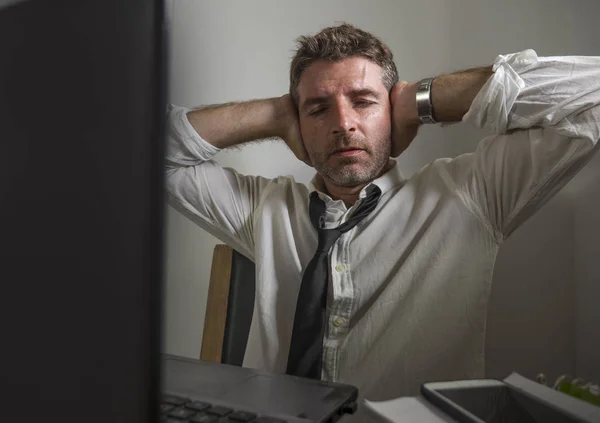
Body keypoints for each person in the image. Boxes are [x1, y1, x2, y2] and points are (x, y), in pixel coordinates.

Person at [164, 22, 599, 419]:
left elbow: (592, 96)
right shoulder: (266, 210)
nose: (344, 124)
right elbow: (146, 148)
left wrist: (423, 100)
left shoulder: (470, 194)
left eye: (364, 101)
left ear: (392, 110)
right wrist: (273, 114)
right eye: (318, 110)